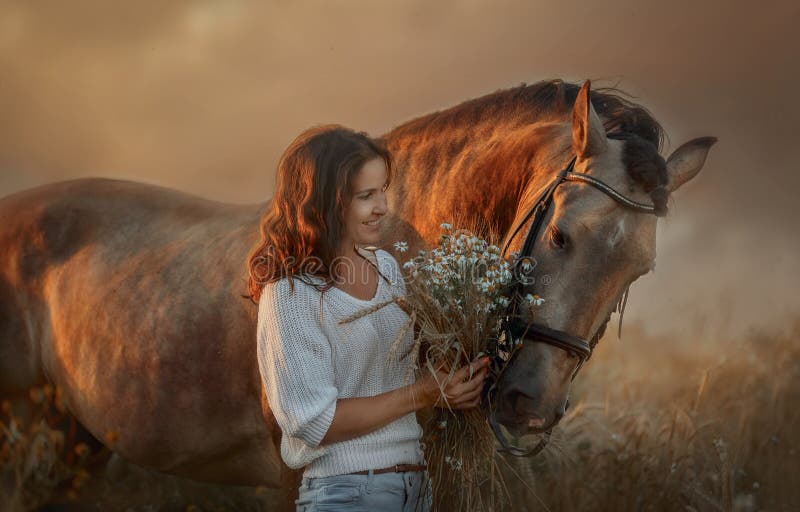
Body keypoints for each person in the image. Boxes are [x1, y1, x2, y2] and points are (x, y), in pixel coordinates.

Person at [247, 125, 489, 511]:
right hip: (344, 493)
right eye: (366, 196)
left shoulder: (387, 268)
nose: (382, 207)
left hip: (416, 487)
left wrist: (451, 386)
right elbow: (313, 423)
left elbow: (396, 377)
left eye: (382, 191)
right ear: (324, 203)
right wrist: (421, 393)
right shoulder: (291, 294)